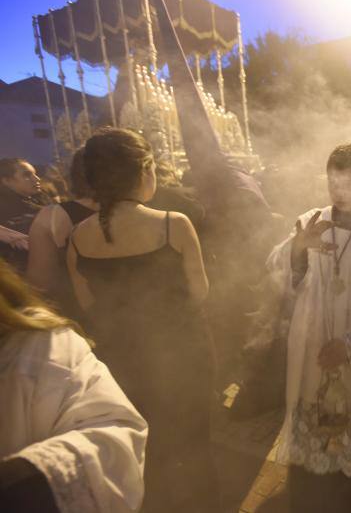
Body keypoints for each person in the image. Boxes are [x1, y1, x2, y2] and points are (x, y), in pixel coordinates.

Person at [66, 127, 219, 512]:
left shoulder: (78, 237)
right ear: (144, 170)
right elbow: (199, 293)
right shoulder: (172, 223)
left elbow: (87, 304)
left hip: (122, 363)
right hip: (182, 357)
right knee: (194, 447)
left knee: (145, 453)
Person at [266, 143, 351, 513]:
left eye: (350, 179)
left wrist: (349, 344)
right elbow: (277, 270)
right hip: (312, 350)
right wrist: (298, 250)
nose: (340, 188)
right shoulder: (311, 221)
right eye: (334, 180)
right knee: (312, 480)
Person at [0, 258, 147, 513]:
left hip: (108, 332)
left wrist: (19, 485)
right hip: (146, 337)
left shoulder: (35, 350)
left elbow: (111, 435)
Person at [26, 149, 97, 318]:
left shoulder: (52, 217)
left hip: (80, 319)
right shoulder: (159, 214)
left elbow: (40, 283)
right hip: (148, 321)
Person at [0, 158, 43, 272]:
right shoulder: (6, 211)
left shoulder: (32, 201)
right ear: (6, 180)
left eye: (35, 174)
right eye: (27, 175)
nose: (37, 179)